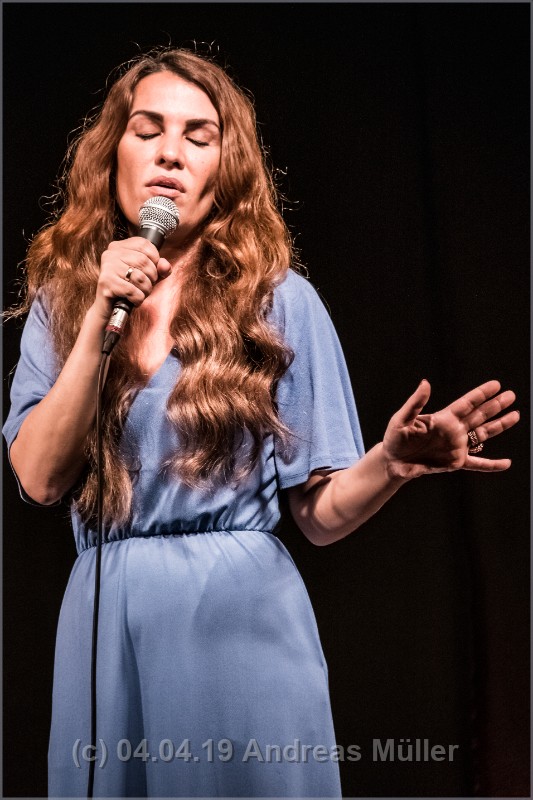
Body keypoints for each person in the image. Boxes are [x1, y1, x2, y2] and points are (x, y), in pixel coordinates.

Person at [3, 48, 518, 798]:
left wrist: (389, 464)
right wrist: (96, 320)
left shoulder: (278, 302)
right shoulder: (62, 307)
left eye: (198, 136)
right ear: (112, 153)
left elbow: (318, 515)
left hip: (238, 627)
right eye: (148, 130)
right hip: (104, 627)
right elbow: (41, 478)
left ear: (226, 167)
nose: (171, 153)